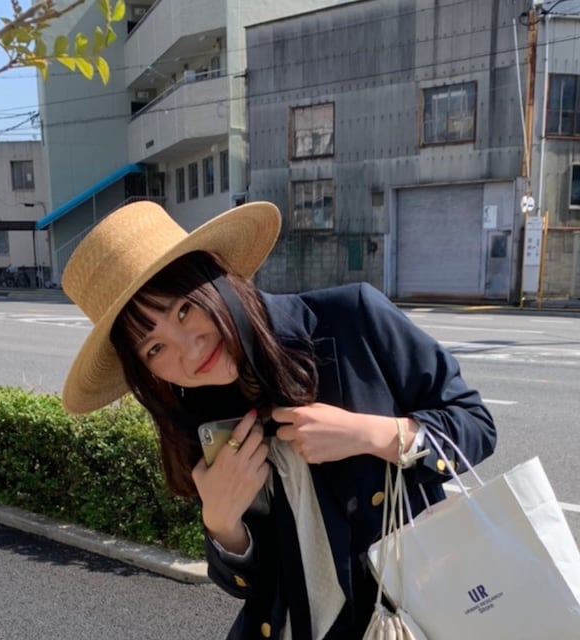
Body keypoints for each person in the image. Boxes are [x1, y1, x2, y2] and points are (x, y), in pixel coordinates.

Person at [61, 200, 497, 640]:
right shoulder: (198, 419)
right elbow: (249, 585)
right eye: (154, 348)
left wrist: (370, 434)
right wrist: (222, 524)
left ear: (213, 278)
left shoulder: (350, 319)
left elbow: (474, 424)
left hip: (402, 621)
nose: (190, 352)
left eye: (183, 310)